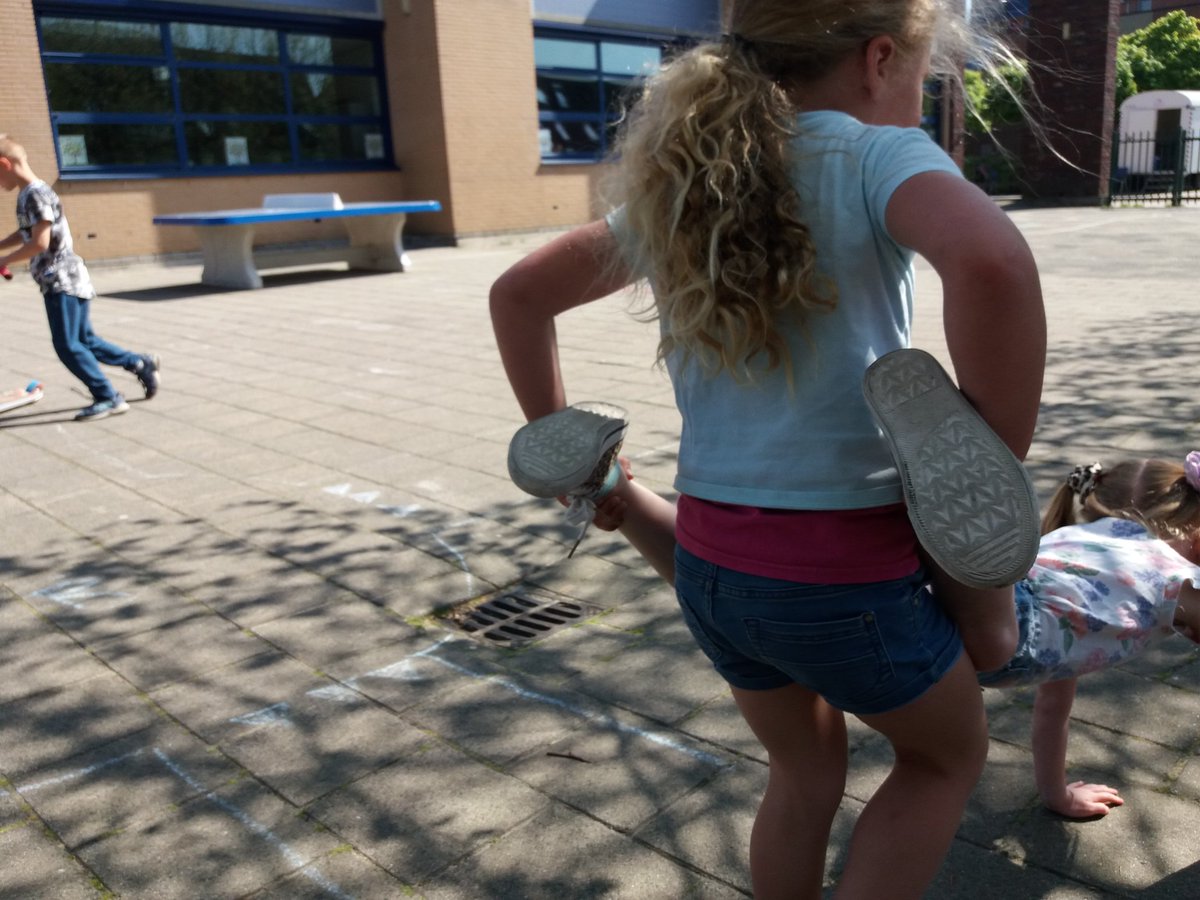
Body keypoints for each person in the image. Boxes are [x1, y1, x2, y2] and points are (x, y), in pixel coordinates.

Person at [491, 2, 1047, 897]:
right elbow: (992, 262)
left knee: (804, 773)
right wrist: (993, 451)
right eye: (923, 76)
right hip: (846, 569)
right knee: (944, 758)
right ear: (877, 59)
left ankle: (619, 490)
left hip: (714, 571)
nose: (921, 94)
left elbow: (519, 294)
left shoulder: (691, 181)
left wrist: (569, 451)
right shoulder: (875, 154)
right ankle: (983, 601)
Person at [0, 135, 160, 421]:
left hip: (60, 280)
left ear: (4, 164)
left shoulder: (34, 194)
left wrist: (4, 260)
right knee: (85, 340)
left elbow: (40, 243)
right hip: (69, 278)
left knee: (68, 346)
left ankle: (108, 397)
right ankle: (139, 363)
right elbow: (28, 232)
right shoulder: (31, 193)